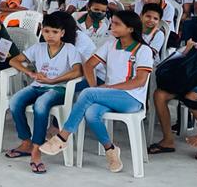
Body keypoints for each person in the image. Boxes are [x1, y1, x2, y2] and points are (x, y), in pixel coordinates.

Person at [39, 11, 155, 173]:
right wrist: (95, 86)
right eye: (112, 22)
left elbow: (140, 81)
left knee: (87, 93)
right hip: (110, 95)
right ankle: (111, 150)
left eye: (116, 24)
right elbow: (88, 65)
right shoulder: (110, 44)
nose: (111, 26)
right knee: (91, 113)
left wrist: (105, 88)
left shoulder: (143, 50)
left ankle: (62, 137)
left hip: (132, 98)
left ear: (130, 29)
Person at [4, 12, 83, 173]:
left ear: (62, 33)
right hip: (38, 85)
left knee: (40, 105)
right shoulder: (38, 48)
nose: (50, 35)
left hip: (58, 88)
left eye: (55, 32)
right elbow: (13, 60)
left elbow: (77, 71)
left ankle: (36, 149)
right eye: (46, 31)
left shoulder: (69, 49)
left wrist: (54, 80)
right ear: (42, 30)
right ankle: (26, 141)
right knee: (15, 102)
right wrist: (31, 73)